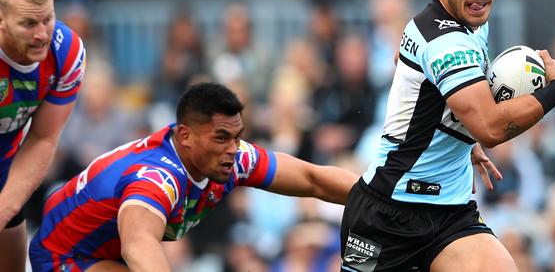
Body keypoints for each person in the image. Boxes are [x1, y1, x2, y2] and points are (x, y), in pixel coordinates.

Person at [339, 0, 555, 272]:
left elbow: (408, 71)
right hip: (387, 214)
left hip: (450, 212)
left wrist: (454, 133)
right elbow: (490, 128)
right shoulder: (446, 42)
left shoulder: (468, 23)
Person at [28, 82, 355, 271]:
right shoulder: (157, 178)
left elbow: (314, 180)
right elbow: (139, 244)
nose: (234, 148)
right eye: (222, 138)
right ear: (185, 136)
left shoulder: (232, 156)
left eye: (238, 136)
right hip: (66, 255)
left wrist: (389, 199)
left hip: (107, 249)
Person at [0, 0, 86, 272]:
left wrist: (4, 207)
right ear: (2, 21)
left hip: (5, 168)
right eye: (28, 23)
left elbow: (43, 138)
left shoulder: (67, 52)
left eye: (47, 19)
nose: (41, 34)